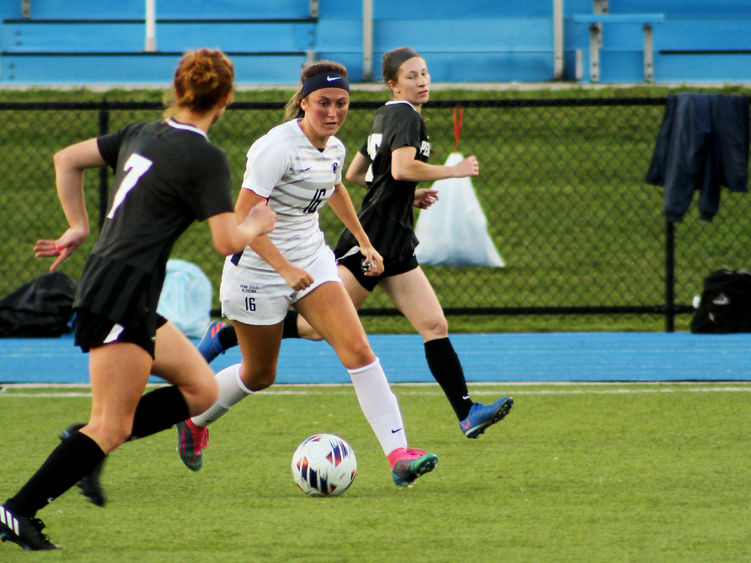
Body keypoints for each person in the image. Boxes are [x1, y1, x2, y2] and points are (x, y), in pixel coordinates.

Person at [0, 48, 275, 552]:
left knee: (201, 391)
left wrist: (79, 225)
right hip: (119, 293)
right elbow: (226, 241)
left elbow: (66, 159)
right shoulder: (204, 155)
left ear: (178, 88)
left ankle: (85, 440)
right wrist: (256, 221)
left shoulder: (142, 132)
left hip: (125, 290)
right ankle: (18, 510)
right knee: (110, 424)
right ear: (226, 100)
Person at [198, 47, 513, 439]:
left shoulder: (380, 118)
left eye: (425, 74)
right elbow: (399, 168)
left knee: (433, 324)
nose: (423, 81)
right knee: (319, 331)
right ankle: (227, 336)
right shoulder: (403, 116)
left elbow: (353, 175)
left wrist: (404, 196)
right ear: (393, 84)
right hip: (377, 235)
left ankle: (464, 413)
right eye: (412, 76)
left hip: (392, 240)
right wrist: (453, 170)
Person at [176, 60, 438, 489]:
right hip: (257, 272)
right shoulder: (274, 148)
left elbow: (334, 187)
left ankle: (399, 454)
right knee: (259, 374)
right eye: (322, 103)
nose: (332, 112)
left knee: (359, 351)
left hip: (311, 260)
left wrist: (364, 242)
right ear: (303, 102)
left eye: (341, 103)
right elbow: (241, 219)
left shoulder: (332, 147)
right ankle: (195, 419)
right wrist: (283, 268)